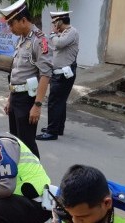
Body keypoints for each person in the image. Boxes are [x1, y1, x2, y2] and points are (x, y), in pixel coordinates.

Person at [0, 0, 53, 158]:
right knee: (15, 141)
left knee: (27, 145)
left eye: (11, 24)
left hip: (27, 100)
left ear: (23, 20)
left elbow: (45, 74)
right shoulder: (21, 39)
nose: (10, 28)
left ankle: (36, 181)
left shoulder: (39, 40)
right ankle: (21, 178)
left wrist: (37, 105)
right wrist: (10, 99)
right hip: (16, 97)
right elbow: (17, 72)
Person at [36, 11, 79, 141]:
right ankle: (57, 127)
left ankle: (52, 131)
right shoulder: (63, 34)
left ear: (60, 21)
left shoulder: (72, 32)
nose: (53, 25)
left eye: (54, 23)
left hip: (63, 75)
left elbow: (58, 43)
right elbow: (53, 45)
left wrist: (53, 33)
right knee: (59, 102)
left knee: (54, 103)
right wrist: (45, 37)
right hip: (59, 74)